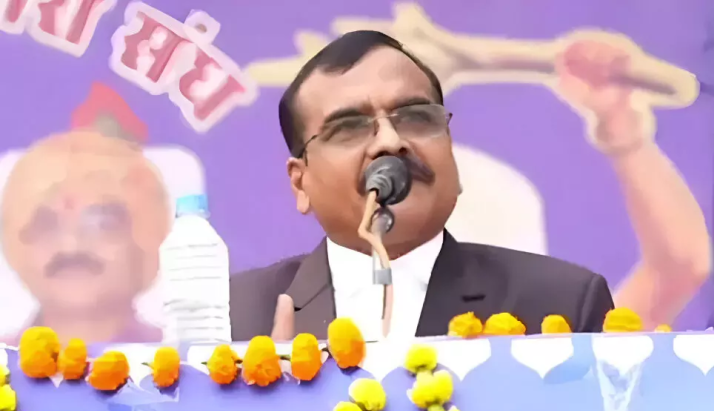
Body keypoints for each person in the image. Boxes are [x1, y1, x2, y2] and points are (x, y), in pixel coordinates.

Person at [230, 30, 615, 341]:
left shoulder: (559, 306)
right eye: (349, 128)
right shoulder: (234, 319)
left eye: (415, 117)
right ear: (301, 184)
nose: (389, 142)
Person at [0, 103, 171, 344]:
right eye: (46, 225)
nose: (71, 245)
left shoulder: (184, 363)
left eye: (101, 224)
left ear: (147, 238)